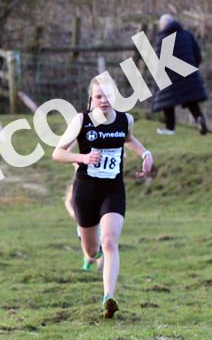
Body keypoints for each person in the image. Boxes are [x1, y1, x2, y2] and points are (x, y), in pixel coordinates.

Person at [53, 75, 154, 318]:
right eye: (99, 96)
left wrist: (145, 153)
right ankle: (87, 247)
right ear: (92, 98)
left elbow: (127, 139)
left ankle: (108, 298)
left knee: (109, 242)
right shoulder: (82, 120)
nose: (104, 100)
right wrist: (83, 158)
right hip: (86, 190)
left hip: (113, 189)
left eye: (108, 95)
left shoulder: (124, 120)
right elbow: (57, 153)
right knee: (91, 251)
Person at [152, 14, 208, 135]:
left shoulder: (162, 39)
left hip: (171, 77)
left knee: (167, 100)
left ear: (163, 26)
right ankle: (200, 119)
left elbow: (158, 62)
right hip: (188, 74)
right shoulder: (187, 35)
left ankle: (170, 128)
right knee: (191, 100)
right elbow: (198, 55)